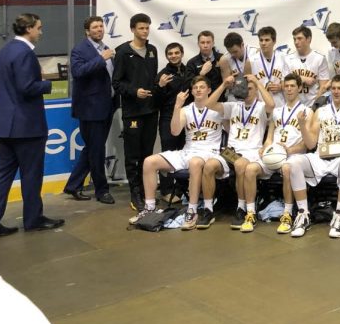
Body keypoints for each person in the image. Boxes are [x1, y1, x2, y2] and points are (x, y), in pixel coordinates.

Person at [0, 13, 62, 241]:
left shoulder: (6, 50)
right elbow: (27, 87)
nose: (41, 31)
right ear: (28, 29)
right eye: (39, 28)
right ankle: (33, 219)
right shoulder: (25, 53)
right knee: (31, 175)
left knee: (2, 176)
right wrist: (46, 84)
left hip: (6, 125)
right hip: (26, 126)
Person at [130, 76, 227, 230]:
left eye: (202, 87)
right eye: (195, 87)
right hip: (187, 150)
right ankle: (149, 208)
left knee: (195, 162)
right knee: (149, 161)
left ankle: (192, 210)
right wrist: (177, 106)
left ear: (209, 90)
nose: (198, 90)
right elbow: (175, 132)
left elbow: (231, 128)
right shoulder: (185, 110)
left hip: (209, 152)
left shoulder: (219, 109)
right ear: (191, 91)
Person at [285, 75, 340, 239]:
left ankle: (339, 215)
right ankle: (303, 214)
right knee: (293, 162)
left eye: (339, 88)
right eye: (333, 88)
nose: (336, 92)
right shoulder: (320, 112)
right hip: (320, 157)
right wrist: (302, 125)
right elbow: (310, 144)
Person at [205, 72, 275, 232]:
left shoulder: (261, 108)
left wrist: (257, 82)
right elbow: (209, 104)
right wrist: (224, 85)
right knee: (209, 165)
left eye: (250, 89)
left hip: (251, 151)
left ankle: (242, 208)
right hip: (231, 150)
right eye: (244, 88)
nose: (247, 91)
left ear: (256, 90)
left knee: (241, 164)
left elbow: (271, 104)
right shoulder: (233, 106)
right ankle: (208, 209)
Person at [62, 16, 117, 204]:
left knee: (93, 148)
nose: (99, 29)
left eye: (101, 26)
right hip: (90, 108)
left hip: (107, 106)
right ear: (87, 31)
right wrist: (101, 59)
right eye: (95, 27)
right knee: (97, 150)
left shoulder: (105, 48)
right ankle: (102, 191)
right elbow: (78, 72)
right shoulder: (80, 50)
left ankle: (73, 185)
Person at [111, 13, 160, 211]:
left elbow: (152, 79)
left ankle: (147, 190)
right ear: (133, 29)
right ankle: (135, 193)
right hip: (132, 112)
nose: (145, 31)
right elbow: (116, 82)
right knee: (133, 155)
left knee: (148, 155)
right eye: (141, 28)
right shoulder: (123, 52)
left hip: (150, 111)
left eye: (147, 28)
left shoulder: (153, 51)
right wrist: (134, 92)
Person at [154, 42, 200, 204]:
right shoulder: (163, 75)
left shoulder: (188, 71)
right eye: (170, 53)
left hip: (187, 117)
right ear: (167, 56)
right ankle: (166, 190)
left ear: (181, 53)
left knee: (185, 152)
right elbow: (155, 101)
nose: (173, 56)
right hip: (168, 117)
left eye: (176, 53)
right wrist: (160, 86)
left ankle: (181, 188)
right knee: (168, 153)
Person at [271, 74, 313, 235]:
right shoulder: (276, 111)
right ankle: (248, 211)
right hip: (274, 155)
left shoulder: (307, 111)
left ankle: (287, 213)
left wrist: (289, 150)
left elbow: (307, 143)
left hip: (294, 156)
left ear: (300, 88)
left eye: (292, 86)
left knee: (288, 168)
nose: (289, 89)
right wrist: (265, 148)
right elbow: (270, 135)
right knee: (250, 169)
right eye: (286, 86)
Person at [285, 26, 330, 108]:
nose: (296, 42)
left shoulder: (319, 58)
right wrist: (303, 79)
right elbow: (283, 84)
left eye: (299, 38)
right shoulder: (288, 59)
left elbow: (323, 87)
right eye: (294, 39)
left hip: (313, 104)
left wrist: (315, 106)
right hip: (293, 106)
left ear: (308, 39)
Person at [249, 26, 288, 109]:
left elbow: (290, 82)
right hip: (259, 107)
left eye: (267, 40)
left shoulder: (284, 58)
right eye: (261, 40)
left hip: (280, 105)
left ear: (274, 41)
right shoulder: (251, 61)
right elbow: (248, 87)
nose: (263, 43)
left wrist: (281, 86)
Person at [186, 31, 223, 99]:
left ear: (213, 43)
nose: (205, 45)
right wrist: (201, 74)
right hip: (200, 101)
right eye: (202, 42)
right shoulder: (192, 62)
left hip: (219, 100)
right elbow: (188, 85)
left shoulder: (222, 59)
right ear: (198, 44)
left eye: (208, 42)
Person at [219, 32, 252, 102]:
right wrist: (230, 81)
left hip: (253, 92)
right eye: (230, 52)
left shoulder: (255, 53)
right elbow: (227, 86)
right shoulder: (224, 60)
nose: (233, 55)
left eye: (235, 51)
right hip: (235, 95)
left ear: (242, 45)